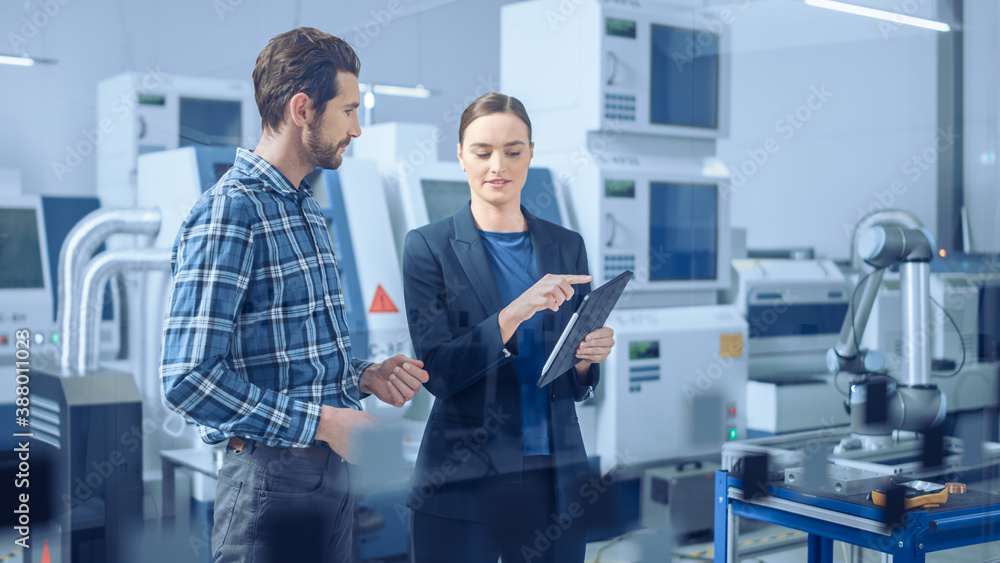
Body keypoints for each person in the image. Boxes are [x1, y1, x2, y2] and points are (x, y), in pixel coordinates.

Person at [159, 27, 429, 563]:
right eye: (348, 110)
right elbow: (187, 379)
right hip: (268, 485)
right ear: (302, 108)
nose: (356, 128)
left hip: (330, 475)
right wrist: (325, 422)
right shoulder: (232, 211)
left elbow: (289, 352)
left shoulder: (303, 208)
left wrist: (362, 375)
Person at [402, 93, 616, 562]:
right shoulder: (429, 248)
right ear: (461, 156)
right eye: (482, 152)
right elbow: (438, 371)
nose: (497, 165)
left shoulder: (566, 245)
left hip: (554, 479)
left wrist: (585, 361)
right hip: (464, 478)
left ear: (531, 154)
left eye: (513, 151)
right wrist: (512, 313)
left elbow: (572, 379)